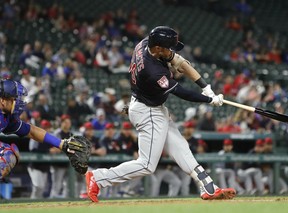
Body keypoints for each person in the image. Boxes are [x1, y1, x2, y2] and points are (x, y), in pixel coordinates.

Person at [85, 26, 236, 202]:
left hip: (149, 106)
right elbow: (181, 92)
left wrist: (206, 87)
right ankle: (98, 178)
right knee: (147, 165)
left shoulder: (145, 44)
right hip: (147, 111)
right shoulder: (153, 71)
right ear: (158, 48)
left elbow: (181, 63)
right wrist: (210, 101)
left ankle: (209, 187)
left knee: (181, 148)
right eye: (168, 48)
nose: (171, 51)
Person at [0, 79, 84, 180]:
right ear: (3, 100)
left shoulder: (7, 116)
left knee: (9, 154)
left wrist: (62, 144)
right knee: (6, 153)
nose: (18, 102)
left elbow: (32, 131)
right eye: (14, 99)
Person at [27, 119, 52, 199]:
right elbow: (33, 150)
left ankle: (37, 205)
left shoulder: (50, 138)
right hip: (35, 166)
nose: (46, 129)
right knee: (38, 186)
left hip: (44, 166)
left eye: (47, 128)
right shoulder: (35, 136)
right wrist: (48, 150)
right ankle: (31, 203)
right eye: (45, 127)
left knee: (41, 189)